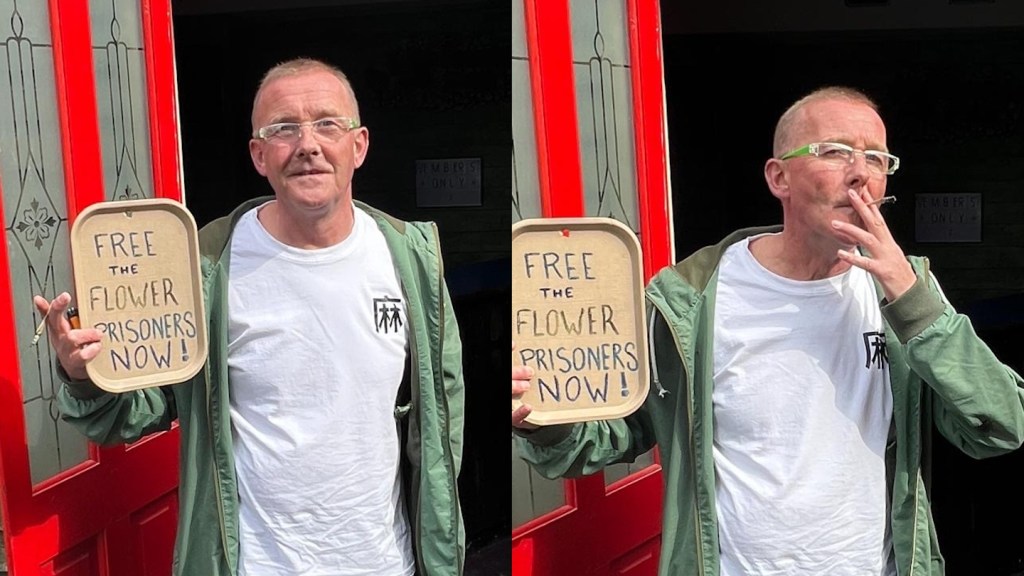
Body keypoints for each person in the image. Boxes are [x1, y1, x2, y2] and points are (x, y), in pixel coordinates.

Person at [512, 86, 1024, 575]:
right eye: (836, 151)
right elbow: (618, 431)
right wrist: (541, 416)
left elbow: (1001, 426)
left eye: (876, 158)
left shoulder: (906, 294)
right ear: (778, 177)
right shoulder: (690, 299)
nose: (860, 174)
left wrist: (913, 301)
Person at [35, 57, 465, 576]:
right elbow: (141, 407)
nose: (308, 144)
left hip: (385, 561)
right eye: (284, 129)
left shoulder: (409, 260)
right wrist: (87, 377)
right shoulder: (205, 267)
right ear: (259, 155)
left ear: (360, 145)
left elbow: (444, 409)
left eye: (327, 123)